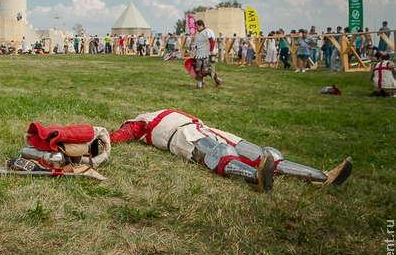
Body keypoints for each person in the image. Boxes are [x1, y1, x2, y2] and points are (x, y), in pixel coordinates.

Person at [110, 110, 352, 191]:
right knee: (218, 153)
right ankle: (254, 176)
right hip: (184, 136)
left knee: (264, 153)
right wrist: (102, 138)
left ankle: (322, 176)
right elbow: (120, 135)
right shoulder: (139, 123)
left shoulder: (150, 115)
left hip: (201, 127)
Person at [192, 19, 222, 88]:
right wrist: (194, 54)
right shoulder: (198, 35)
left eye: (197, 26)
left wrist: (211, 50)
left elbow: (212, 41)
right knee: (198, 69)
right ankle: (200, 84)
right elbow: (196, 46)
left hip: (207, 53)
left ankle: (218, 80)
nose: (196, 28)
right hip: (199, 55)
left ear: (201, 25)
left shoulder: (208, 31)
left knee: (207, 70)